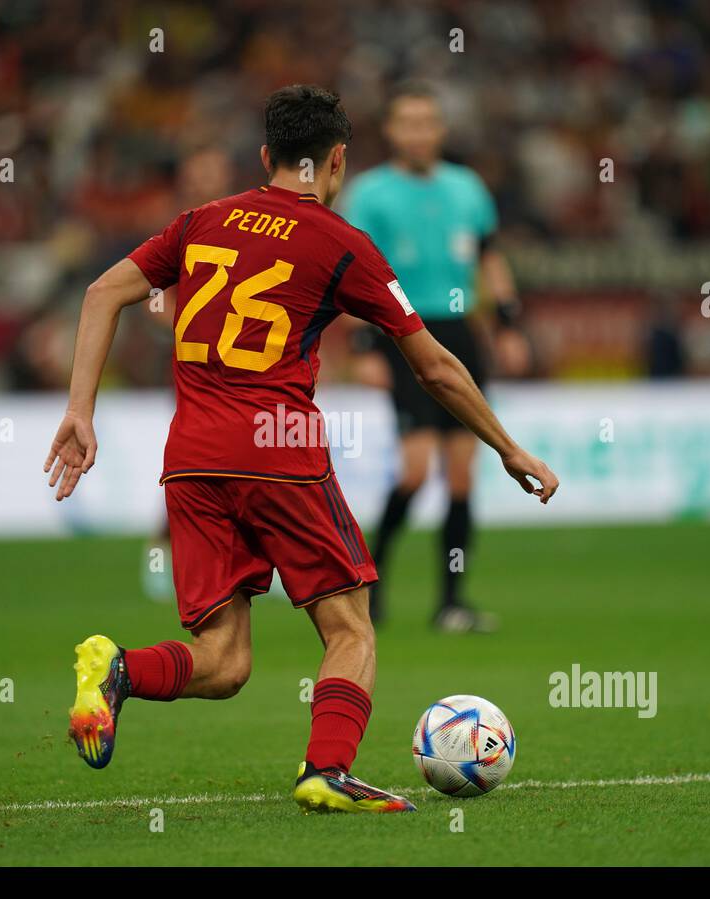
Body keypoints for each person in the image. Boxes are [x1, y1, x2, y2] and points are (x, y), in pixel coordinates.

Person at [44, 85, 557, 814]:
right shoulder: (340, 242)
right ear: (338, 160)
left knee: (224, 663)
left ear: (265, 157)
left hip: (191, 459)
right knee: (351, 627)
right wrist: (506, 447)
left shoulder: (201, 221)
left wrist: (79, 411)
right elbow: (435, 366)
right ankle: (327, 769)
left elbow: (101, 292)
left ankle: (117, 670)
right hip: (276, 451)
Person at [342, 82, 527, 634]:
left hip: (461, 334)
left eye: (428, 123)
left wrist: (511, 325)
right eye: (408, 123)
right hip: (402, 334)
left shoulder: (468, 188)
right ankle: (370, 589)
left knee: (464, 477)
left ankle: (452, 602)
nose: (419, 133)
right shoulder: (370, 194)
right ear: (392, 131)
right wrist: (363, 345)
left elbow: (491, 259)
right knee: (417, 470)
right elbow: (351, 274)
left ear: (440, 130)